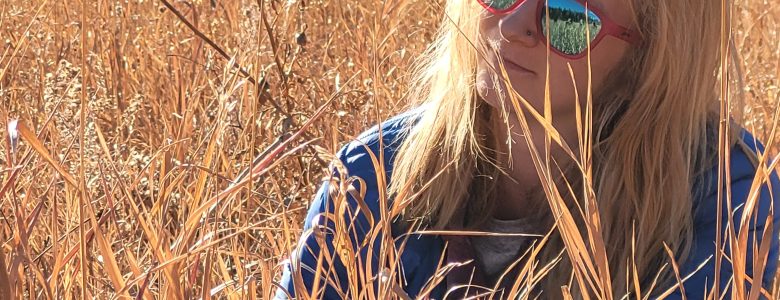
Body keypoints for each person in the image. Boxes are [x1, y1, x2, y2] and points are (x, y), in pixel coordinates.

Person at [275, 0, 780, 298]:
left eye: (567, 17)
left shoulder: (733, 204)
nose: (515, 27)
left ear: (649, 52)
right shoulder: (371, 174)